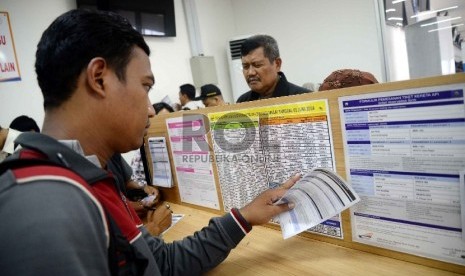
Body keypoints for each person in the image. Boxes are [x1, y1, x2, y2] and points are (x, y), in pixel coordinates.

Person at [0, 9, 299, 275]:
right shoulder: (42, 208)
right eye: (145, 87)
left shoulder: (89, 180)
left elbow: (162, 264)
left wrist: (244, 216)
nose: (151, 109)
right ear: (99, 78)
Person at [236, 34, 310, 103]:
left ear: (277, 64)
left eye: (257, 65)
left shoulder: (305, 98)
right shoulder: (242, 101)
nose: (250, 72)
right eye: (245, 66)